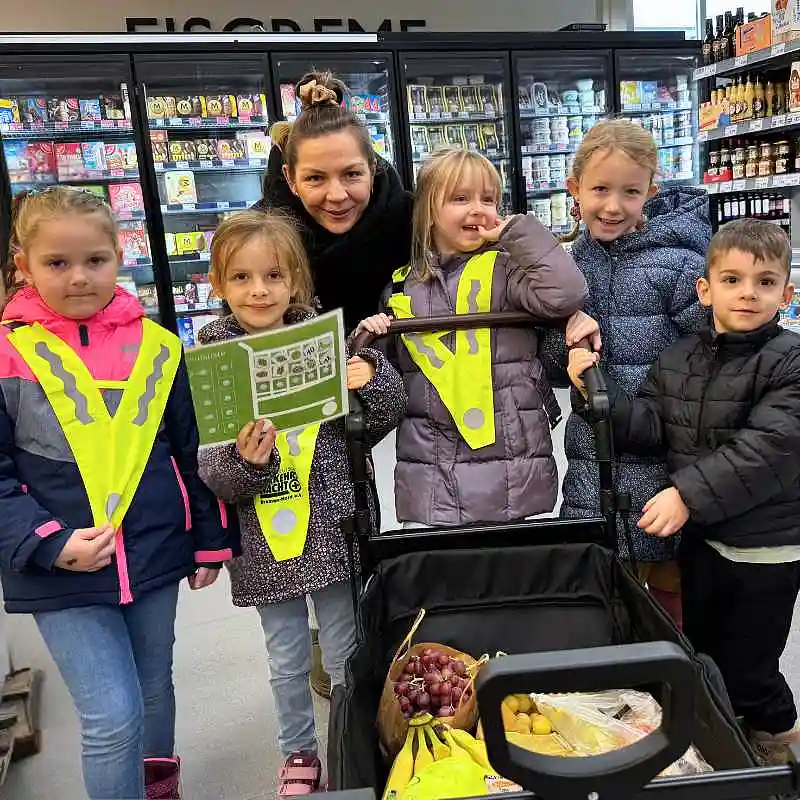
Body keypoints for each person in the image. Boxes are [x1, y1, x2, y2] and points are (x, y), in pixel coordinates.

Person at [0, 187, 232, 799]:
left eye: (95, 260)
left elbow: (190, 447)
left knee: (155, 687)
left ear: (120, 254)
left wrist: (208, 542)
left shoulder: (159, 346)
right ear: (22, 265)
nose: (79, 278)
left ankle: (159, 786)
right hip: (59, 572)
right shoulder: (5, 355)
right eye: (57, 263)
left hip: (154, 554)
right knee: (112, 716)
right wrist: (46, 543)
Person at [568, 219, 800, 764]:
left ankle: (775, 736)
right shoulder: (681, 359)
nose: (748, 293)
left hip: (764, 545)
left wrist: (686, 495)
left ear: (786, 294)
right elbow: (650, 422)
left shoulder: (789, 360)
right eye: (733, 279)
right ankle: (724, 734)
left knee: (753, 658)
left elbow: (768, 448)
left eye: (765, 282)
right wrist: (594, 391)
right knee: (707, 647)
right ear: (705, 290)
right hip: (703, 543)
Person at [196, 210, 406, 792]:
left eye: (272, 276)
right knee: (286, 656)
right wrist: (246, 460)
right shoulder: (215, 364)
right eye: (240, 278)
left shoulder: (323, 341)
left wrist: (374, 379)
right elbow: (215, 473)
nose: (258, 291)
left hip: (330, 523)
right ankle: (297, 754)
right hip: (263, 540)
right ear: (219, 285)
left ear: (296, 283)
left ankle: (350, 738)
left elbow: (376, 421)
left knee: (343, 647)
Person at [357, 148, 587, 526]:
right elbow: (388, 378)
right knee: (446, 575)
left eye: (488, 199)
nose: (477, 208)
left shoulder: (509, 270)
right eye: (460, 198)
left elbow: (565, 293)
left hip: (513, 462)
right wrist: (368, 343)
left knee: (513, 571)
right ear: (429, 211)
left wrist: (516, 234)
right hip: (431, 468)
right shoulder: (401, 286)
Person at [543, 119, 711, 626]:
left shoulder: (680, 265)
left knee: (667, 570)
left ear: (650, 194)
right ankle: (615, 666)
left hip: (663, 448)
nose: (612, 206)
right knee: (601, 568)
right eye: (599, 189)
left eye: (630, 192)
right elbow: (549, 359)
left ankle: (666, 664)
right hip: (593, 452)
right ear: (574, 189)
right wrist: (564, 350)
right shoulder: (566, 267)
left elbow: (708, 349)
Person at [255, 71, 414, 334]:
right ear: (290, 178)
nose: (337, 195)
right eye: (315, 178)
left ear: (372, 168)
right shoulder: (258, 239)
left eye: (352, 174)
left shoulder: (413, 220)